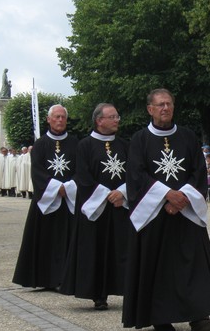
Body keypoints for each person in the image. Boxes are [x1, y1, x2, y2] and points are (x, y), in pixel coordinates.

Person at [122, 88, 210, 331]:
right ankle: (160, 317)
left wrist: (182, 197)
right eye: (160, 105)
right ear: (150, 109)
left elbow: (198, 171)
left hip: (185, 211)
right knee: (156, 265)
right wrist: (166, 195)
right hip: (154, 214)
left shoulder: (187, 136)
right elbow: (136, 174)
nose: (165, 108)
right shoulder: (139, 139)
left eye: (169, 104)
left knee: (192, 264)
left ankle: (198, 316)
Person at [59, 103, 130, 310]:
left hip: (120, 206)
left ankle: (126, 288)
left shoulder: (125, 145)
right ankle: (98, 294)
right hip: (96, 208)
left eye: (117, 116)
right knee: (96, 250)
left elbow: (134, 173)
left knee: (122, 250)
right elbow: (83, 176)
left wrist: (123, 193)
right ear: (99, 120)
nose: (117, 120)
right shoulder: (85, 146)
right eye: (113, 117)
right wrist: (107, 195)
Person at [12, 105, 78, 289]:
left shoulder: (75, 143)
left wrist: (69, 187)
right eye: (56, 117)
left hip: (69, 200)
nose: (59, 120)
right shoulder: (40, 145)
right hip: (47, 201)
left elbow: (81, 170)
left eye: (63, 117)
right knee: (45, 241)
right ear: (48, 119)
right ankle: (45, 278)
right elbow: (38, 172)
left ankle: (66, 279)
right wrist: (57, 188)